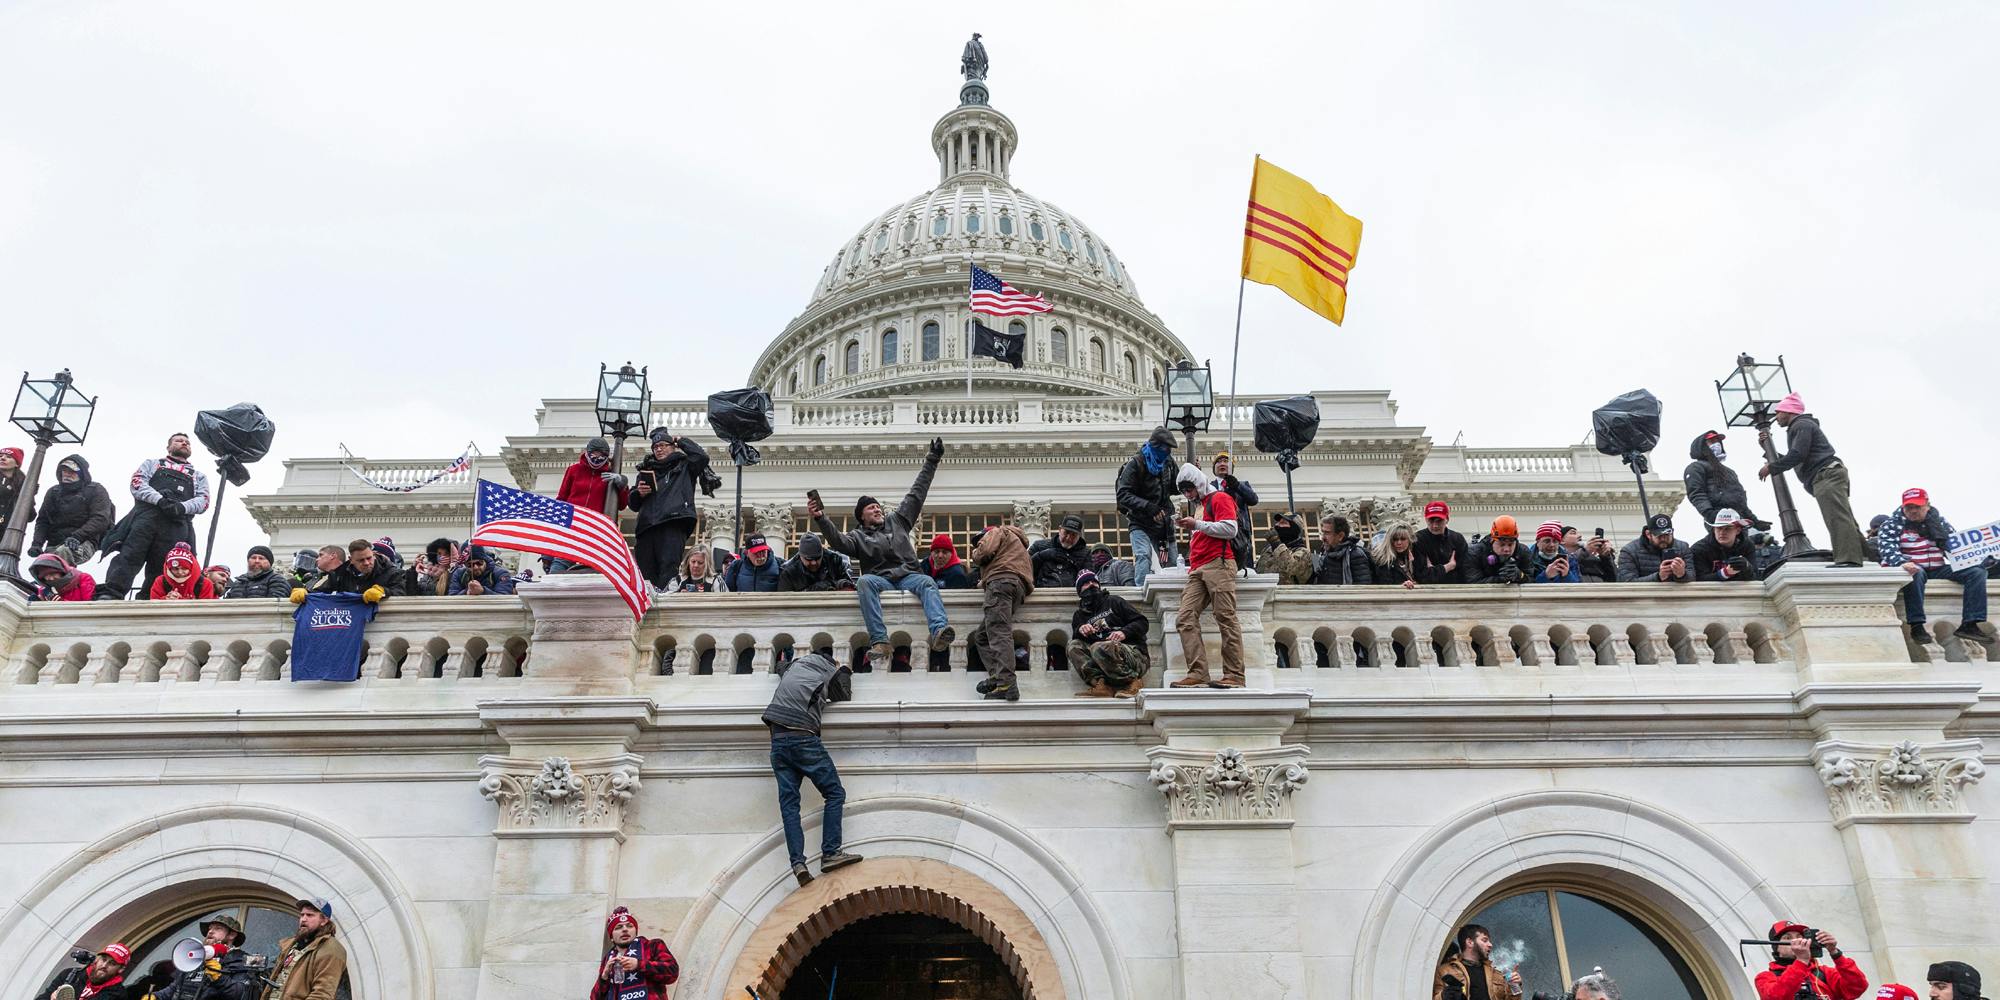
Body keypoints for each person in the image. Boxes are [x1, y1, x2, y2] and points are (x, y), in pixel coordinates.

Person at [810, 437, 953, 666]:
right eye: (871, 507)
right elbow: (838, 542)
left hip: (908, 575)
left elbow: (917, 493)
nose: (877, 509)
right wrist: (821, 519)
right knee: (864, 581)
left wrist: (932, 460)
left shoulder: (899, 520)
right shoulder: (857, 536)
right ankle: (879, 640)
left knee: (927, 582)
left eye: (877, 506)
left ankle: (938, 631)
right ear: (862, 516)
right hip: (881, 580)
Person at [760, 652, 862, 887]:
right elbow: (842, 694)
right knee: (835, 793)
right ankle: (831, 852)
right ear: (831, 662)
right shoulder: (829, 671)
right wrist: (845, 671)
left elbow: (780, 665)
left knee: (789, 806)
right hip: (803, 739)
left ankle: (798, 863)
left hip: (777, 741)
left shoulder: (793, 667)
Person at [99, 433, 212, 600]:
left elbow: (204, 500)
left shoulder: (198, 476)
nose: (184, 443)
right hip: (146, 519)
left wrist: (181, 507)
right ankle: (111, 593)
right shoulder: (152, 464)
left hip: (177, 524)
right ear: (169, 446)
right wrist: (159, 500)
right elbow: (137, 483)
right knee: (129, 556)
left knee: (164, 564)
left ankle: (149, 598)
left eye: (187, 442)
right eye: (179, 441)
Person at [1760, 393, 1867, 567]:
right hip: (1828, 474)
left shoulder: (1801, 425)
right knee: (1843, 516)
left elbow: (1797, 455)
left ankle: (1848, 559)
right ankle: (1864, 556)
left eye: (1778, 412)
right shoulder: (1802, 426)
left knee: (1837, 517)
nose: (1776, 417)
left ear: (1788, 411)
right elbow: (1800, 458)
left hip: (1826, 475)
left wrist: (1771, 468)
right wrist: (1768, 450)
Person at [1877, 488, 1991, 648]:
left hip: (1938, 568)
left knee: (1977, 572)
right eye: (1909, 507)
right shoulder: (1892, 525)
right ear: (1903, 508)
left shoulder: (1940, 523)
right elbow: (1887, 549)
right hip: (1912, 567)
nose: (1913, 511)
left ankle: (1970, 624)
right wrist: (1900, 562)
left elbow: (1955, 549)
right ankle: (1917, 626)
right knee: (1915, 574)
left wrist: (1978, 559)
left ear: (1927, 506)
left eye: (1918, 507)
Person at [1169, 463, 1245, 689]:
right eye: (1183, 491)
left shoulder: (1219, 498)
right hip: (1198, 568)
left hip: (1218, 563)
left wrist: (1197, 524)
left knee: (1226, 617)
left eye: (1189, 489)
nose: (1187, 495)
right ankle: (1198, 673)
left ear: (1199, 483)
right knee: (1184, 617)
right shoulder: (1201, 505)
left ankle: (1234, 675)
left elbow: (1231, 529)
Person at [628, 428, 712, 589]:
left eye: (663, 445)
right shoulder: (647, 470)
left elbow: (702, 457)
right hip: (647, 527)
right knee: (645, 572)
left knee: (668, 568)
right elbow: (633, 504)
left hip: (673, 522)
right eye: (655, 447)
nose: (658, 449)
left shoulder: (685, 465)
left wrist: (680, 440)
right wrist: (639, 493)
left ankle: (664, 602)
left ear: (673, 446)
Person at [967, 522, 1034, 701]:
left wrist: (976, 553)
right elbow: (1009, 565)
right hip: (1016, 587)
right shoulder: (1017, 544)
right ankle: (998, 675)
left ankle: (1007, 683)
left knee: (998, 632)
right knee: (982, 636)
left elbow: (985, 552)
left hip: (1000, 584)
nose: (979, 543)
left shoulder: (997, 532)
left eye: (979, 540)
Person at [136, 912, 258, 1000]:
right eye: (210, 928)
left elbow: (240, 994)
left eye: (218, 928)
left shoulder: (241, 961)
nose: (210, 931)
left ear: (232, 935)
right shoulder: (197, 957)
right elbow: (176, 987)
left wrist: (219, 977)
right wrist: (156, 996)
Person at [1115, 427, 1180, 587]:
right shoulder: (1136, 463)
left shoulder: (1168, 463)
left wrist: (1191, 474)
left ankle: (1172, 592)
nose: (1167, 453)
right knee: (1143, 554)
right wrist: (1148, 507)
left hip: (1162, 527)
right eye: (1165, 449)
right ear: (1156, 446)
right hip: (1140, 523)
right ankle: (1140, 592)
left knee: (1170, 560)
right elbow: (1123, 494)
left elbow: (1176, 487)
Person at [1069, 570, 1150, 697]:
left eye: (1094, 582)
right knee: (1073, 645)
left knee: (1099, 646)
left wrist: (1124, 632)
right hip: (1103, 662)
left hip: (1134, 657)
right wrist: (1080, 629)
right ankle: (1101, 685)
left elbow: (1142, 622)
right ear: (1080, 590)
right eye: (1086, 583)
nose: (1091, 585)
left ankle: (1134, 682)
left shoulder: (1114, 601)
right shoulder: (1079, 615)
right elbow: (1079, 646)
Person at [30, 454, 115, 568]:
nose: (67, 474)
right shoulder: (53, 492)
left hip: (84, 541)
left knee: (60, 557)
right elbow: (43, 521)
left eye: (72, 471)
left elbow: (100, 519)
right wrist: (37, 544)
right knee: (40, 567)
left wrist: (77, 537)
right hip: (54, 543)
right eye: (64, 470)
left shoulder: (96, 490)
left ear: (82, 473)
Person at [1754, 920, 1866, 1000]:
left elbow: (1857, 988)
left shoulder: (1824, 973)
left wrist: (1834, 952)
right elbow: (1776, 997)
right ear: (1776, 948)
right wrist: (1801, 961)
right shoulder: (1765, 977)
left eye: (1800, 936)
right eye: (1788, 938)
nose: (1797, 940)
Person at [1684, 430, 1769, 530]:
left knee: (1743, 544)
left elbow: (1740, 501)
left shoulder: (1729, 471)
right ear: (1702, 446)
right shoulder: (1696, 467)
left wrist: (1755, 522)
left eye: (1718, 441)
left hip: (1737, 519)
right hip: (1718, 518)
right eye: (1712, 441)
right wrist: (1709, 513)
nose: (1717, 444)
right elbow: (1696, 493)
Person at [591, 906, 679, 1000]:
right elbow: (595, 998)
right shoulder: (608, 958)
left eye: (629, 926)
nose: (625, 929)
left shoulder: (652, 945)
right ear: (611, 936)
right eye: (618, 927)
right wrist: (604, 977)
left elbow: (672, 972)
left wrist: (638, 964)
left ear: (635, 931)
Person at [266, 898, 346, 1000]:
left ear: (324, 920)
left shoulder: (331, 949)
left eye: (310, 915)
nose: (303, 919)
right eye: (302, 915)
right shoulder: (293, 944)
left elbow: (322, 995)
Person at [297, 538, 401, 603]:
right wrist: (305, 592)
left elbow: (403, 591)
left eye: (369, 558)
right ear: (351, 560)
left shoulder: (390, 571)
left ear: (373, 555)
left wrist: (383, 592)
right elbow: (322, 591)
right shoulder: (340, 574)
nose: (366, 563)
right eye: (361, 560)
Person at [1433, 924, 1518, 1000]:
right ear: (1470, 942)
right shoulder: (1444, 971)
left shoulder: (1496, 975)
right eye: (1485, 940)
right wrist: (1444, 996)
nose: (1490, 944)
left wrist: (1515, 986)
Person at [36, 941, 132, 1000]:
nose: (104, 965)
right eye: (103, 959)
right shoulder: (70, 974)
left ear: (121, 969)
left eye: (112, 963)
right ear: (97, 959)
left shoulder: (119, 995)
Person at [1211, 450, 1258, 570]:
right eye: (1218, 461)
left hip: (1240, 535)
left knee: (1242, 570)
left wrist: (1236, 485)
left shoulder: (1242, 484)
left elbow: (1253, 500)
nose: (1222, 463)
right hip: (1217, 533)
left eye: (1226, 461)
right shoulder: (1208, 486)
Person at [1691, 508, 1763, 582]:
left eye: (1728, 528)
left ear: (1738, 530)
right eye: (1719, 528)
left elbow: (1756, 578)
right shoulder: (1699, 549)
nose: (1722, 532)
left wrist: (1747, 567)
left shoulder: (1747, 545)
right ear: (1714, 529)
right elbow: (1697, 580)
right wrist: (1725, 573)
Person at [1618, 513, 1692, 583]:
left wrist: (1682, 575)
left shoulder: (1683, 547)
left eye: (1667, 535)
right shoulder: (1629, 551)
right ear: (1648, 534)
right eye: (1659, 536)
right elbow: (1627, 582)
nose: (1663, 539)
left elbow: (1693, 577)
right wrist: (1658, 577)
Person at [1412, 501, 1470, 585]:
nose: (1435, 525)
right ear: (1425, 519)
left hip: (1454, 590)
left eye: (1439, 521)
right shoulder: (1418, 539)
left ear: (1447, 520)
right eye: (1431, 521)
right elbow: (1422, 576)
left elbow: (1464, 572)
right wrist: (1449, 567)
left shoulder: (1458, 539)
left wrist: (1433, 571)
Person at [1029, 515, 1092, 589]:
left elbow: (1089, 580)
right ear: (1059, 529)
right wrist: (1041, 556)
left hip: (1072, 597)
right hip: (1040, 595)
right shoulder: (1039, 546)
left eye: (1073, 535)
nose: (1068, 538)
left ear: (1079, 536)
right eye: (1066, 532)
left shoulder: (1086, 554)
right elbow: (1024, 567)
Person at [1309, 516, 1375, 586]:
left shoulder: (1355, 555)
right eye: (1323, 532)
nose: (1323, 538)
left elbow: (1363, 587)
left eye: (1327, 533)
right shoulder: (1325, 556)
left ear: (1340, 536)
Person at [1467, 516, 1533, 585]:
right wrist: (1500, 579)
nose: (1506, 549)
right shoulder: (1475, 553)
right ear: (1492, 540)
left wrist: (1520, 576)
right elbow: (1473, 582)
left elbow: (1532, 581)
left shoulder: (1523, 552)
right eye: (1502, 544)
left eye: (1510, 545)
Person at [777, 533, 850, 592]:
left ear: (822, 553)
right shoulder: (788, 572)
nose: (814, 563)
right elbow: (785, 601)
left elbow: (849, 586)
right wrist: (813, 590)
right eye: (809, 559)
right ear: (800, 556)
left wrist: (840, 584)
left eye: (818, 558)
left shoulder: (835, 560)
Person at [1261, 511, 1316, 585]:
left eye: (1283, 523)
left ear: (1294, 529)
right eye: (1278, 522)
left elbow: (1291, 568)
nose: (1277, 525)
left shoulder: (1303, 552)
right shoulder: (1268, 550)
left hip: (1288, 595)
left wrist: (1276, 543)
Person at [150, 542, 218, 601]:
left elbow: (205, 610)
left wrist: (179, 600)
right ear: (169, 568)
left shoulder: (205, 584)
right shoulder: (160, 581)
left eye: (184, 568)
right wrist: (166, 599)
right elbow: (153, 606)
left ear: (191, 568)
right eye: (175, 569)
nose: (180, 572)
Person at [221, 546, 290, 599]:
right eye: (253, 557)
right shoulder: (238, 582)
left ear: (269, 563)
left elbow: (275, 606)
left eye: (261, 558)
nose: (257, 561)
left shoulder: (278, 580)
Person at [448, 545, 517, 595]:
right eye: (470, 565)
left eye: (479, 563)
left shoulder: (501, 573)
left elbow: (504, 598)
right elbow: (452, 596)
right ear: (465, 565)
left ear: (485, 561)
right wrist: (467, 591)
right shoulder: (459, 574)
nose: (475, 567)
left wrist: (483, 591)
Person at [30, 552, 97, 602]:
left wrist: (61, 603)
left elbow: (90, 606)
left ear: (61, 570)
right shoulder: (44, 590)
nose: (51, 578)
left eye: (53, 573)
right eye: (45, 576)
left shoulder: (83, 579)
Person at [1373, 523, 1420, 589]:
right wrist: (1401, 585)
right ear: (1389, 540)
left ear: (1409, 540)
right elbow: (1384, 585)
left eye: (1403, 539)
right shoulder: (1383, 560)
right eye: (1395, 539)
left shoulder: (1415, 555)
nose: (1399, 543)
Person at [0, 445, 30, 534]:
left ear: (17, 463)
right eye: (0, 456)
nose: (3, 458)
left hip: (8, 533)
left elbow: (30, 515)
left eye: (8, 457)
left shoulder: (25, 485)